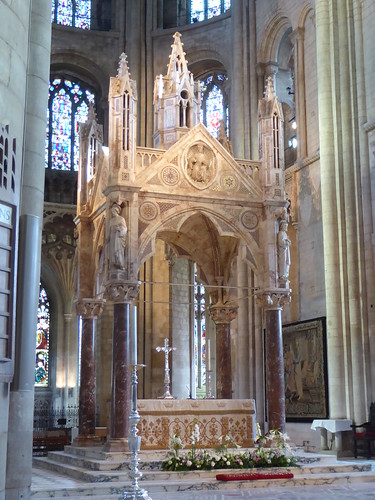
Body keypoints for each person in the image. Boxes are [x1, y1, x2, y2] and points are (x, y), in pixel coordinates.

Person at [108, 203, 127, 270]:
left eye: (113, 212)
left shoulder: (121, 219)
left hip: (118, 237)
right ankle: (114, 264)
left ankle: (121, 265)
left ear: (116, 211)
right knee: (113, 253)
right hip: (113, 238)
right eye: (112, 212)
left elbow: (124, 229)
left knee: (118, 252)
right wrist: (108, 238)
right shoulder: (111, 221)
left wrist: (119, 229)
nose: (112, 213)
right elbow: (109, 231)